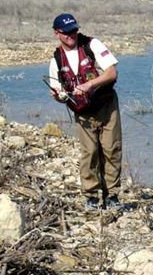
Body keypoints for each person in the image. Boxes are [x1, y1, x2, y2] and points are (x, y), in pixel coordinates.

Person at [48, 13, 123, 210]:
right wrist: (58, 96)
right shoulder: (56, 59)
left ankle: (112, 196)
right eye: (66, 33)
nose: (71, 35)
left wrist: (90, 84)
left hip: (107, 105)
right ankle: (91, 197)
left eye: (74, 30)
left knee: (111, 149)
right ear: (57, 34)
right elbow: (56, 90)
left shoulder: (92, 45)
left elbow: (111, 72)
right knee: (89, 153)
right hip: (82, 112)